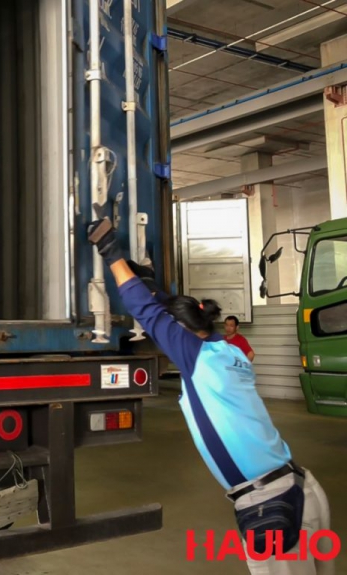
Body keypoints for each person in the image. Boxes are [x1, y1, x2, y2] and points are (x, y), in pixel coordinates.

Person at [87, 218, 333, 575]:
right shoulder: (227, 351)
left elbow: (148, 311)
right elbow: (168, 309)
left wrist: (110, 251)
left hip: (273, 506)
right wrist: (147, 276)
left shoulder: (197, 357)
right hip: (305, 491)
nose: (166, 343)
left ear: (185, 333)